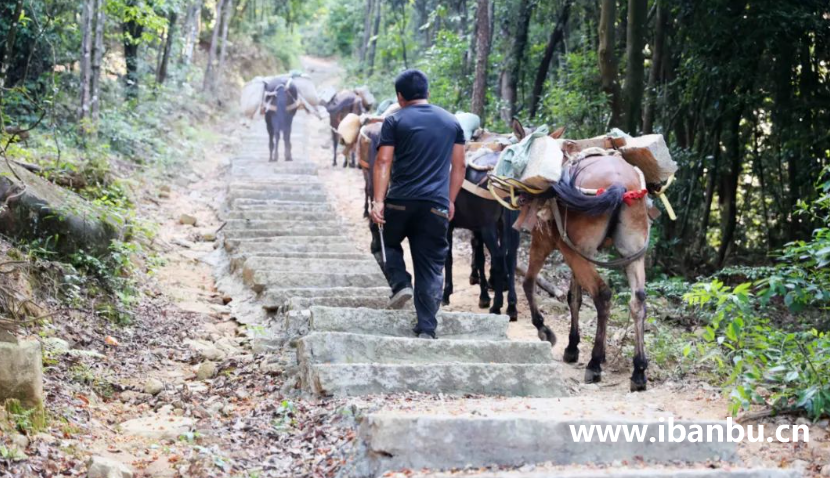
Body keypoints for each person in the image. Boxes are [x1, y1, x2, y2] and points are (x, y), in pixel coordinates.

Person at [370, 69, 466, 339]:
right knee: (430, 264)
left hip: (399, 203)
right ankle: (426, 327)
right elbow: (459, 166)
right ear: (428, 93)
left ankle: (400, 283)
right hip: (435, 206)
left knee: (383, 241)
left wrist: (378, 201)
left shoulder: (393, 120)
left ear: (400, 97)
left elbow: (383, 161)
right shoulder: (451, 122)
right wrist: (450, 200)